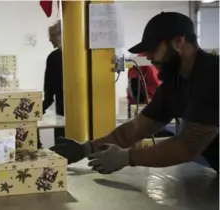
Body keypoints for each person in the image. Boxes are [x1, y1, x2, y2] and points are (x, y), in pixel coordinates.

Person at [51, 12, 219, 175]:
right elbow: (135, 128)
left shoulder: (213, 75)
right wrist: (86, 148)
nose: (148, 57)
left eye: (153, 49)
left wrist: (127, 157)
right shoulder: (174, 84)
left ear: (178, 41)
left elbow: (187, 147)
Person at [43, 21, 64, 146]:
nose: (50, 39)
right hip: (70, 112)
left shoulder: (54, 58)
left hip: (63, 113)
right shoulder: (81, 56)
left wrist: (39, 109)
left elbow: (49, 91)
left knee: (63, 146)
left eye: (52, 35)